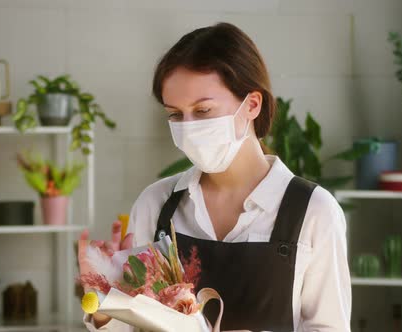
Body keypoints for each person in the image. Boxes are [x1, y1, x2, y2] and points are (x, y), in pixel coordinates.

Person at [79, 22, 351, 332]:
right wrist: (105, 303)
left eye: (203, 111)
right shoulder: (157, 204)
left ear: (252, 104)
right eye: (175, 114)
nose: (188, 127)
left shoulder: (314, 212)